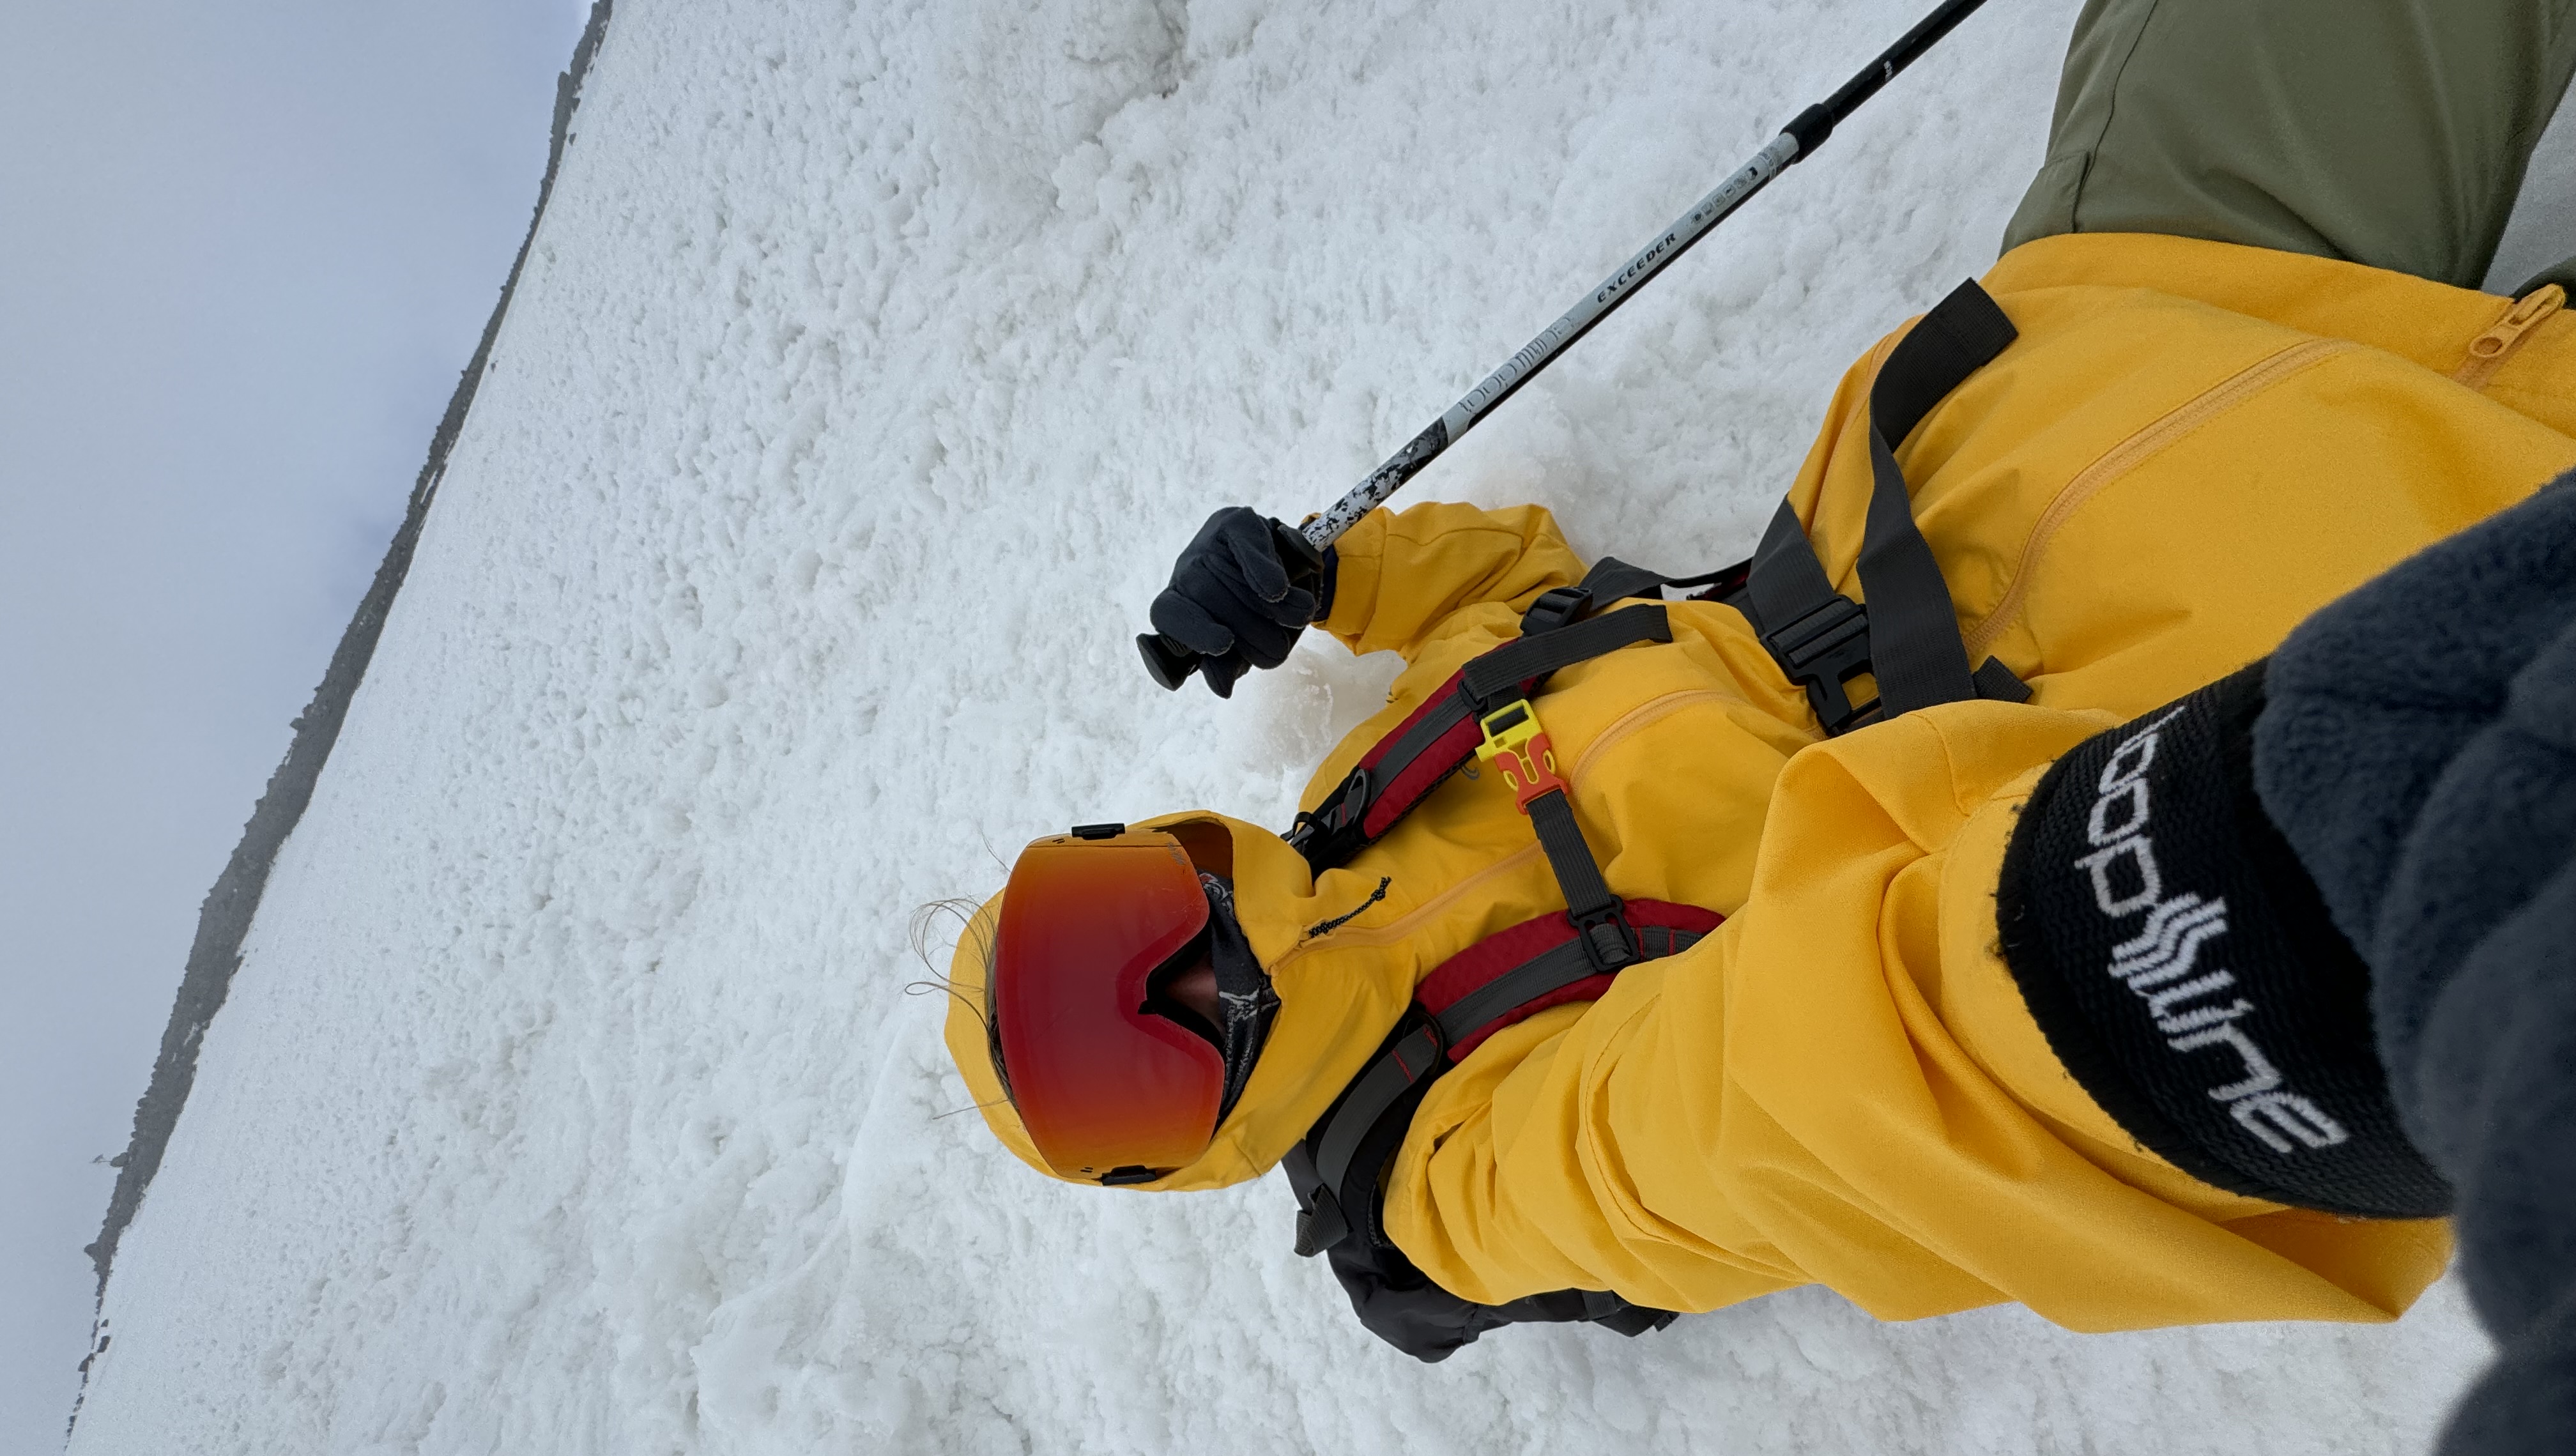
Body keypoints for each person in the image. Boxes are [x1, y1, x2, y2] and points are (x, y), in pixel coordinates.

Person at [947, 0, 2576, 1361]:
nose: (1199, 981)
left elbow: (1522, 601)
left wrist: (1332, 581)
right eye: (1137, 1060)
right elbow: (1761, 1114)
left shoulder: (1350, 811)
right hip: (2163, 686)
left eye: (1122, 934)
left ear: (1141, 846)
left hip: (2034, 404)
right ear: (1165, 1167)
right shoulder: (1454, 1169)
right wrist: (2150, 966)